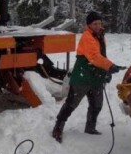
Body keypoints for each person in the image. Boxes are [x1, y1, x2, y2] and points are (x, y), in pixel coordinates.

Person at [52, 11, 125, 143]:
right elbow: (94, 57)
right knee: (71, 104)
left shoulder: (100, 35)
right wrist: (109, 66)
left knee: (97, 104)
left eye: (99, 23)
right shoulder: (87, 37)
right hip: (82, 76)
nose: (98, 26)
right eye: (95, 23)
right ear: (89, 25)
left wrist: (106, 71)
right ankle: (58, 126)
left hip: (96, 77)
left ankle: (90, 127)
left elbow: (101, 55)